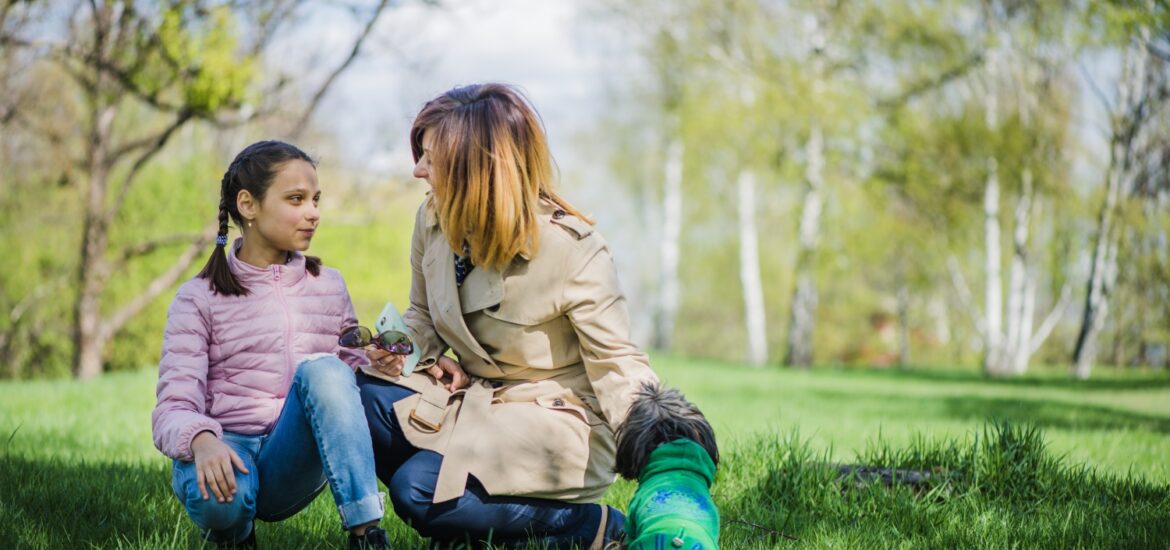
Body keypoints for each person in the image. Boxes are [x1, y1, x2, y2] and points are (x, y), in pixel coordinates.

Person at [356, 83, 658, 549]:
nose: (416, 170)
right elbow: (422, 316)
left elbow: (617, 362)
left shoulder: (572, 250)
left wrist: (664, 449)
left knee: (415, 491)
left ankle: (591, 526)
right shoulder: (432, 219)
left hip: (558, 428)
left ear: (474, 170)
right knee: (358, 394)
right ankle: (468, 525)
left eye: (430, 158)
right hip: (475, 406)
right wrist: (396, 349)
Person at [152, 140, 389, 549]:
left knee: (326, 370)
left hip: (293, 457)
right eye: (296, 199)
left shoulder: (329, 285)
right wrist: (201, 441)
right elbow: (173, 407)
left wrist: (375, 364)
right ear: (248, 204)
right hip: (226, 449)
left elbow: (346, 381)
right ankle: (236, 535)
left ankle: (366, 534)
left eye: (316, 200)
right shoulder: (198, 297)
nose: (313, 212)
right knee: (222, 501)